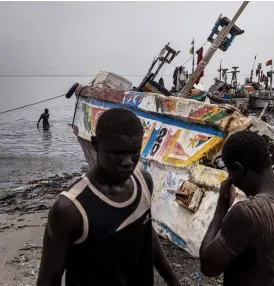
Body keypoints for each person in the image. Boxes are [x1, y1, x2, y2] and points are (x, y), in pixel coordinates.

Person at [37, 108, 180, 286]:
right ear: (96, 145)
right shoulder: (70, 209)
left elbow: (145, 232)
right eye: (118, 153)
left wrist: (173, 281)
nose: (128, 162)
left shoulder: (143, 182)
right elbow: (48, 279)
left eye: (134, 152)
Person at [199, 131, 274, 285]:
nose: (231, 180)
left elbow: (208, 267)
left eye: (230, 174)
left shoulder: (246, 213)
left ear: (239, 169)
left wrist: (221, 209)